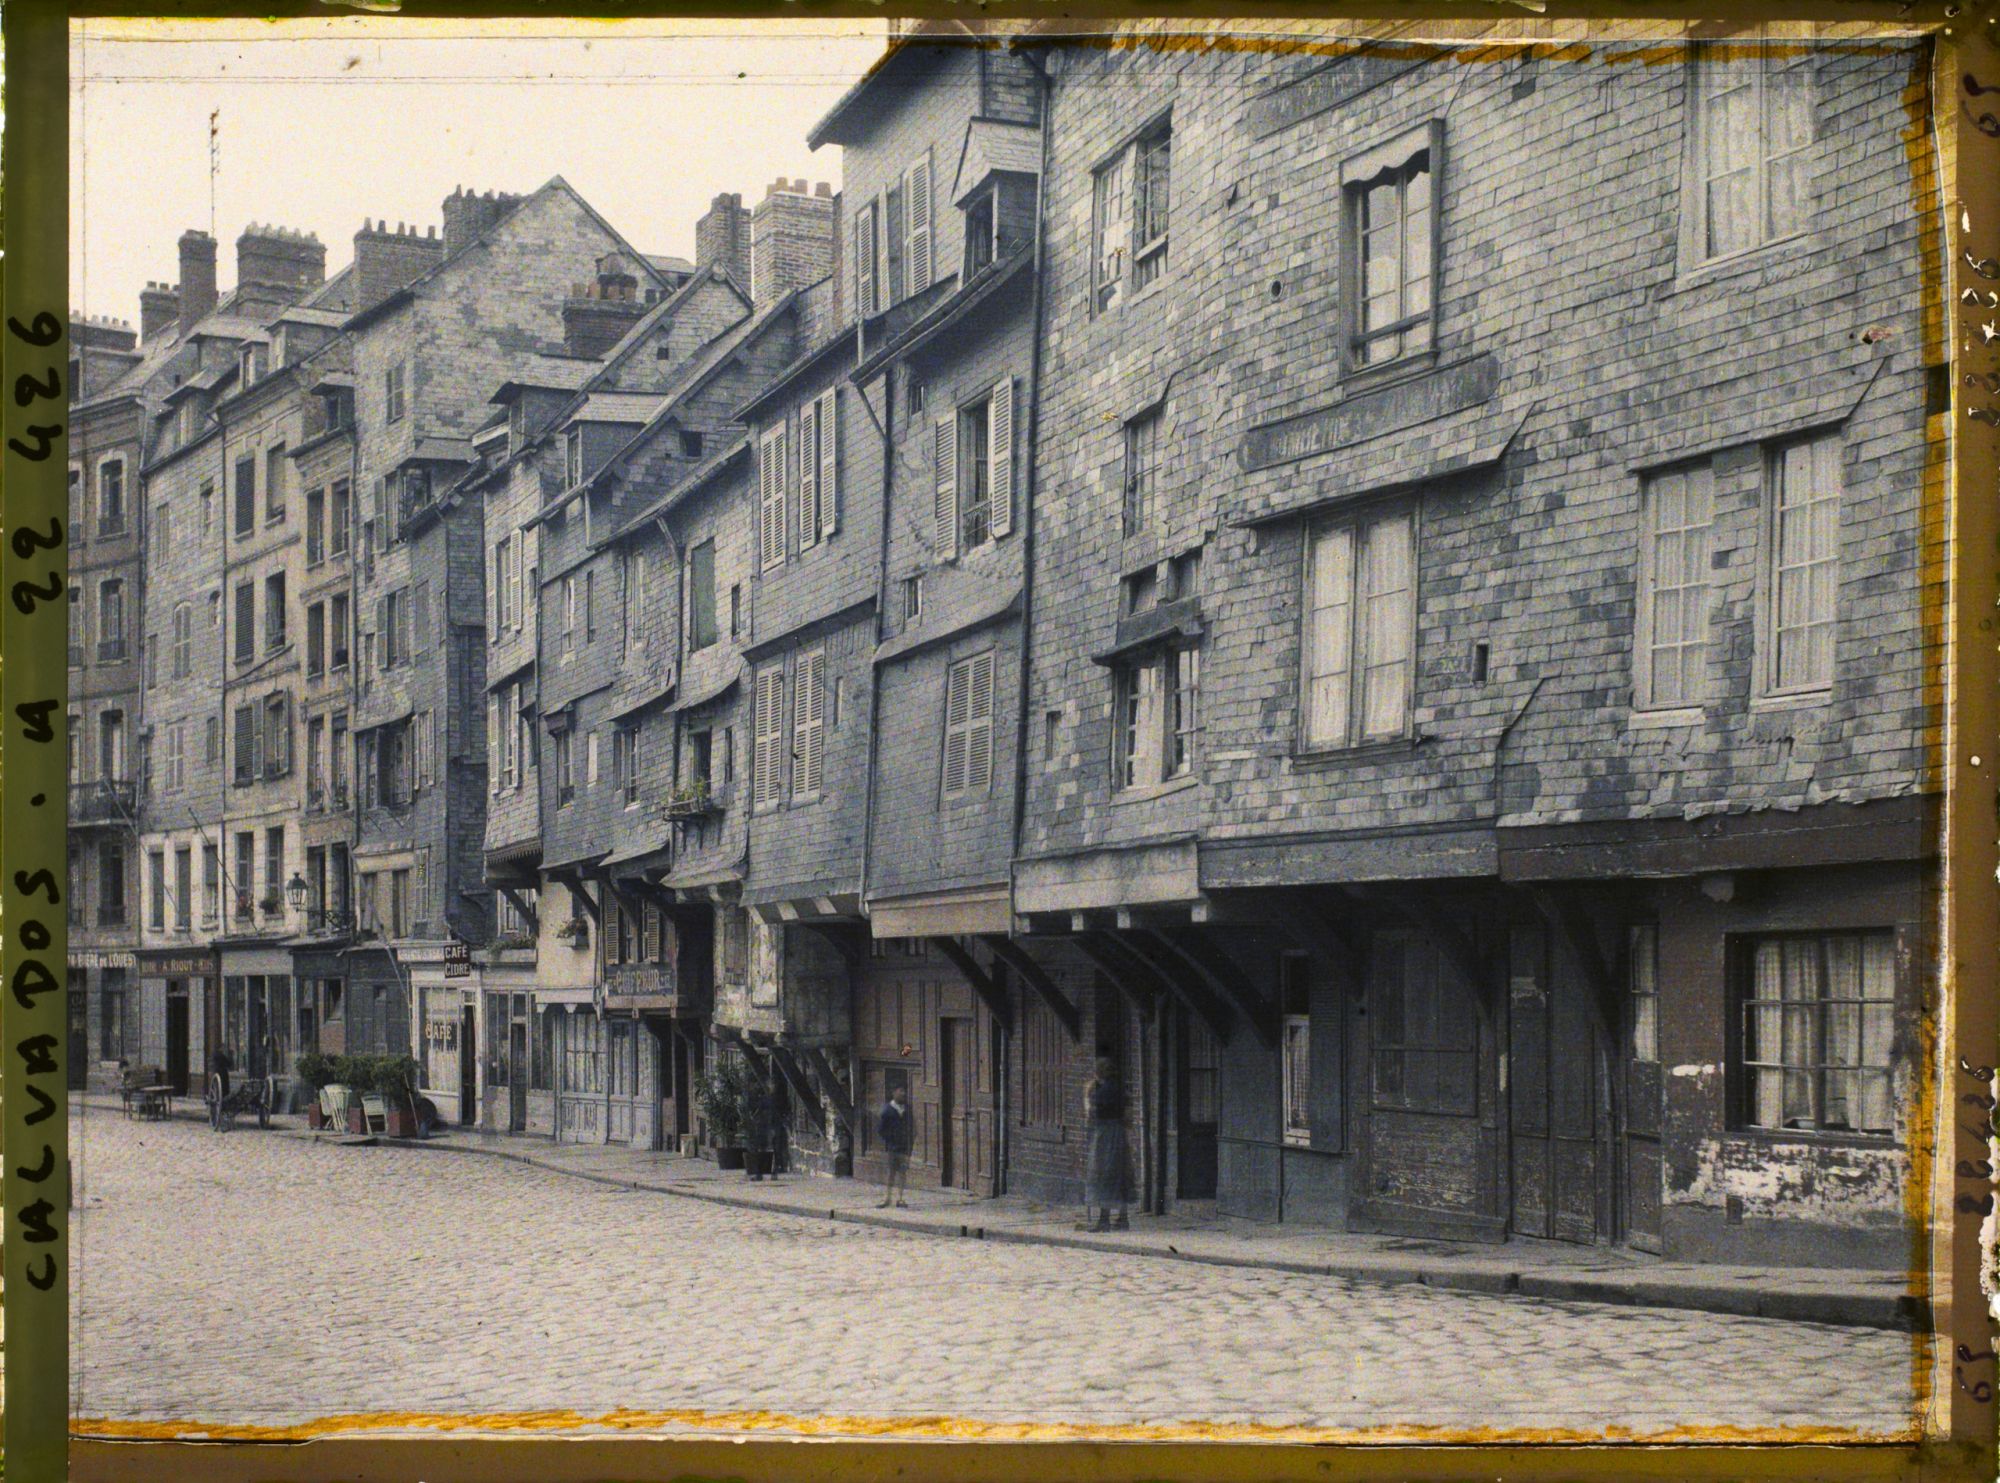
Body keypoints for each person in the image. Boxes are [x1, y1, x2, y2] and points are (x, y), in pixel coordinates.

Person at [1084, 1054, 1131, 1232]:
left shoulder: (1100, 1092)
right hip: (1119, 1134)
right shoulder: (1121, 1089)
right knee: (1119, 1174)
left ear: (1099, 1073)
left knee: (1103, 1175)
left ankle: (1104, 1220)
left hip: (1104, 1135)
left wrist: (1088, 1098)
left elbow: (1091, 1116)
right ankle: (1123, 1218)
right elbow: (1127, 1116)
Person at [877, 1085, 912, 1208]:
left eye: (904, 1091)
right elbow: (881, 1130)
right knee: (891, 1173)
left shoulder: (907, 1109)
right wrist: (891, 1140)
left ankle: (900, 1198)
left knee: (902, 1173)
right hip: (892, 1148)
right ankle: (887, 1198)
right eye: (900, 1091)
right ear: (893, 1093)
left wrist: (909, 1142)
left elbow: (911, 1127)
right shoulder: (887, 1110)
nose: (903, 1093)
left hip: (904, 1148)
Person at [208, 1047, 233, 1132]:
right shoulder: (222, 1056)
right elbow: (230, 1064)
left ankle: (218, 1119)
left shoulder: (214, 1057)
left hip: (217, 1076)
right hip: (223, 1076)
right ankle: (224, 1120)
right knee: (224, 1095)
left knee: (220, 1095)